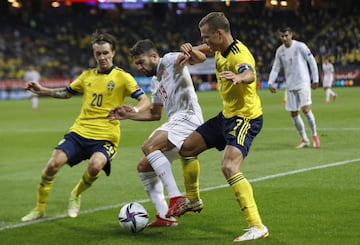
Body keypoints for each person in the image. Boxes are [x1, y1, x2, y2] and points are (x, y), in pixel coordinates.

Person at [21, 31, 150, 222]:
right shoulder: (86, 76)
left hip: (106, 135)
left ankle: (76, 193)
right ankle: (39, 209)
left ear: (113, 52)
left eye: (106, 53)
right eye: (98, 54)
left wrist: (135, 110)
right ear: (94, 55)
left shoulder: (123, 77)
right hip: (79, 131)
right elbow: (66, 93)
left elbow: (145, 100)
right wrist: (42, 90)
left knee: (95, 166)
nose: (102, 57)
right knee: (52, 165)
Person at [174, 12, 269, 242]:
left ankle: (257, 226)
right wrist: (191, 48)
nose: (205, 42)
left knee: (229, 167)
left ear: (219, 33)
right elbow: (204, 51)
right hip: (226, 116)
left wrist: (241, 78)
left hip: (245, 118)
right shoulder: (219, 48)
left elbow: (249, 72)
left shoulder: (239, 55)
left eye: (207, 38)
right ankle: (193, 199)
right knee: (186, 149)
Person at [108, 39, 206, 227]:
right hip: (176, 123)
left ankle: (176, 197)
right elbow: (154, 114)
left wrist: (191, 51)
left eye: (141, 62)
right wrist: (129, 114)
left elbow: (200, 58)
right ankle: (165, 217)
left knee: (149, 146)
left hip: (189, 118)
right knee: (144, 167)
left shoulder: (169, 60)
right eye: (136, 64)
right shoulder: (155, 81)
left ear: (154, 56)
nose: (139, 67)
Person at [268, 26, 321, 149]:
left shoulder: (300, 46)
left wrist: (316, 79)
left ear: (291, 34)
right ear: (279, 36)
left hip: (303, 82)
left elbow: (312, 61)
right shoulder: (280, 51)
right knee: (294, 113)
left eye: (286, 35)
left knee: (306, 110)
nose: (284, 38)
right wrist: (271, 82)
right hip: (290, 85)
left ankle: (314, 136)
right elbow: (276, 67)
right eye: (282, 36)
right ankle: (304, 139)